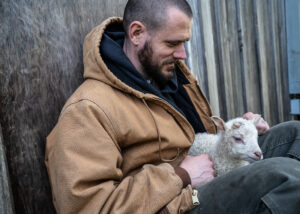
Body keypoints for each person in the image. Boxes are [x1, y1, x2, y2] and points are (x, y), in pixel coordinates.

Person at [45, 0, 300, 213]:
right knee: (284, 177)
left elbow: (199, 137)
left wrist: (244, 131)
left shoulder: (166, 77)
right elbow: (90, 208)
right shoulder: (87, 110)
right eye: (172, 43)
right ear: (136, 33)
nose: (182, 54)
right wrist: (179, 176)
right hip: (176, 204)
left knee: (294, 134)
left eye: (184, 43)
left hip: (206, 171)